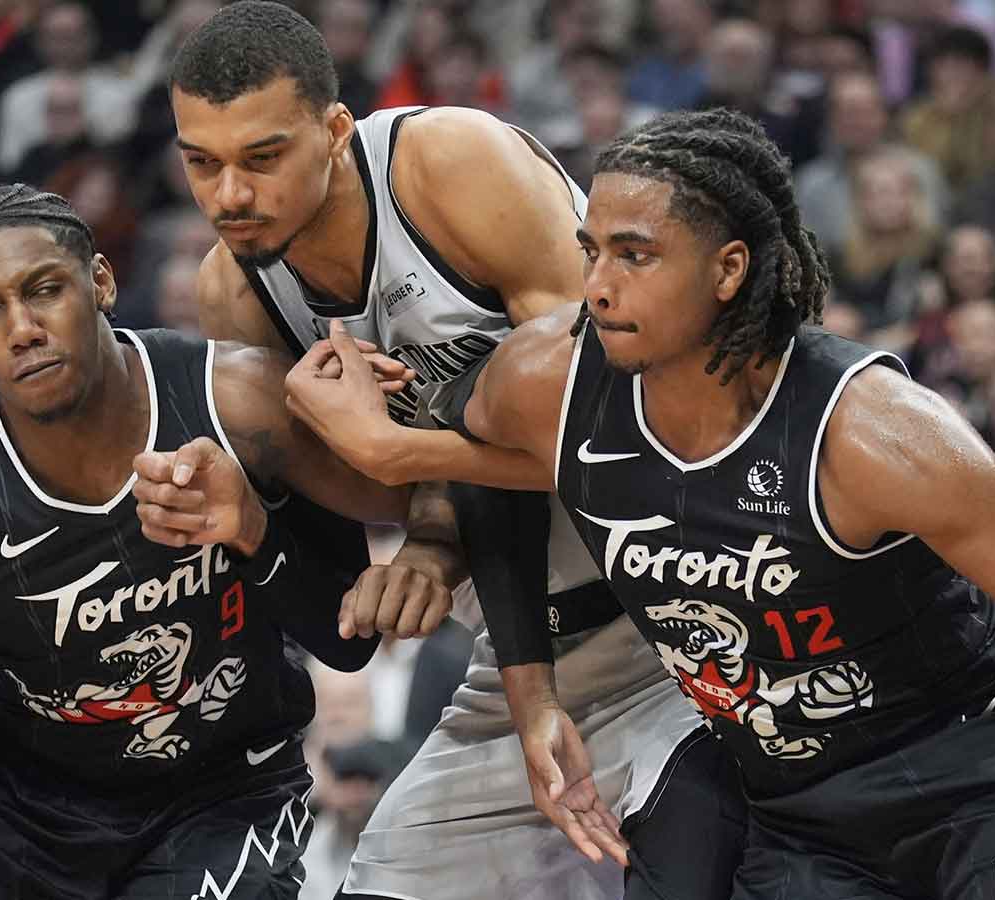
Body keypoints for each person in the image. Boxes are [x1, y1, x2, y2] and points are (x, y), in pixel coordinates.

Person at [286, 108, 995, 900]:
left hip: (974, 772)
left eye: (636, 256)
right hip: (802, 817)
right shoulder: (547, 379)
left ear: (729, 270)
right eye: (590, 251)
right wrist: (390, 454)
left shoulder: (873, 433)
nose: (597, 285)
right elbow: (508, 470)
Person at [168, 4, 742, 899]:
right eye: (201, 163)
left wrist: (405, 464)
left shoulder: (448, 167)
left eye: (261, 158)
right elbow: (381, 516)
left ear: (332, 129)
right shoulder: (236, 294)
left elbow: (618, 425)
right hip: (526, 650)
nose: (229, 196)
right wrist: (354, 526)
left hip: (689, 610)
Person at [0, 184, 449, 900]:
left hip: (223, 788)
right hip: (20, 808)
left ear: (101, 280)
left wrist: (254, 531)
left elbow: (347, 642)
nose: (23, 328)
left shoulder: (238, 401)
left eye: (44, 291)